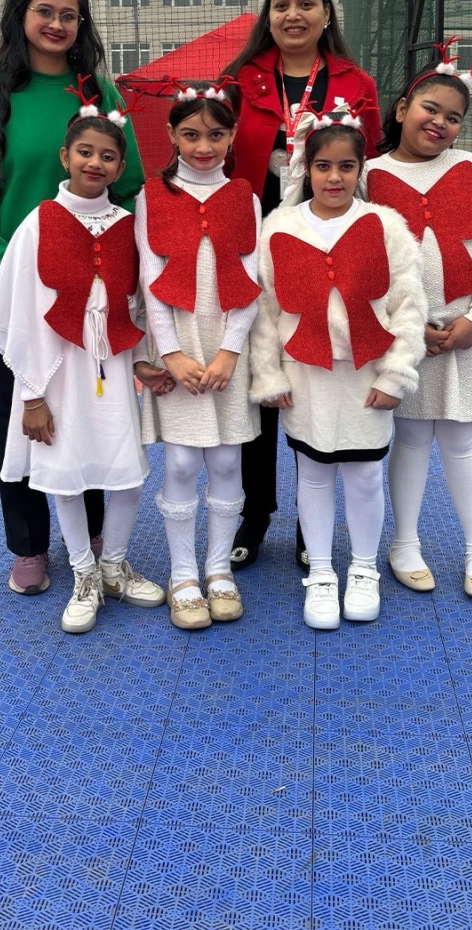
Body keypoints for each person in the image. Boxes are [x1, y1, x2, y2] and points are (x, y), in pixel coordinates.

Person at [0, 0, 145, 597]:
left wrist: (122, 274)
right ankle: (29, 544)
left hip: (93, 298)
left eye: (69, 15)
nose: (57, 24)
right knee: (21, 415)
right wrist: (8, 275)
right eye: (45, 12)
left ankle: (94, 537)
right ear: (21, 16)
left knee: (90, 411)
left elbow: (132, 188)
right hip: (21, 294)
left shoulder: (101, 95)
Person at [0, 109, 168, 633]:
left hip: (112, 368)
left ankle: (114, 566)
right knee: (65, 473)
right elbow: (20, 314)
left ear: (120, 166)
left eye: (108, 156)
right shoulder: (39, 222)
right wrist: (33, 395)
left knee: (125, 469)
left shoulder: (128, 225)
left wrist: (144, 359)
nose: (95, 163)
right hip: (57, 371)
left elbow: (135, 305)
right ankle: (84, 573)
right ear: (65, 156)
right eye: (85, 152)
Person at [225, 0, 382, 571]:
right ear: (268, 16)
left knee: (312, 378)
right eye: (281, 4)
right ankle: (254, 512)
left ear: (325, 13)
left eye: (306, 3)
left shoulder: (355, 83)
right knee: (262, 378)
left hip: (325, 245)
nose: (293, 14)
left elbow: (366, 165)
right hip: (255, 242)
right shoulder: (240, 79)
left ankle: (307, 522)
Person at [248, 119, 426, 629]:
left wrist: (396, 373)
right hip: (305, 374)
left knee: (365, 475)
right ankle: (323, 573)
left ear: (360, 169)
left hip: (367, 374)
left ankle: (364, 569)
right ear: (306, 168)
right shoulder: (280, 226)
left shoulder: (386, 226)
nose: (334, 177)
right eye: (323, 166)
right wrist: (269, 375)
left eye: (346, 166)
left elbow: (409, 303)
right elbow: (265, 309)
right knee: (313, 473)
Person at [364, 45, 472, 600]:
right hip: (404, 338)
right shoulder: (370, 175)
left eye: (454, 117)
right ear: (402, 109)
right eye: (431, 108)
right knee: (408, 438)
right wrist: (401, 327)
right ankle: (404, 544)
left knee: (460, 440)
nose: (441, 122)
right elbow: (360, 259)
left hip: (466, 333)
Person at [135, 87, 261, 631]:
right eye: (190, 135)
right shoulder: (152, 195)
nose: (203, 146)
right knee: (183, 463)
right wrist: (171, 354)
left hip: (228, 348)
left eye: (215, 134)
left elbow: (251, 278)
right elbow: (150, 278)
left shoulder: (244, 196)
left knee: (228, 463)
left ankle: (219, 570)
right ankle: (183, 574)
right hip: (179, 347)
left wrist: (230, 350)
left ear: (231, 137)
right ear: (172, 136)